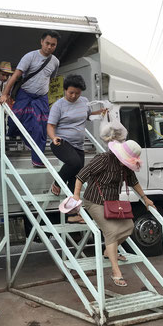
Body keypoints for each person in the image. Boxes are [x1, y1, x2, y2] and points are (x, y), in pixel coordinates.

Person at [73, 140, 155, 287]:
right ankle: (115, 270)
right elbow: (81, 175)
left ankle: (108, 251)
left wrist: (145, 198)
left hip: (113, 204)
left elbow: (134, 182)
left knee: (129, 226)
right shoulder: (104, 159)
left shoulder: (125, 167)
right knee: (111, 231)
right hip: (95, 202)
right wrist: (76, 195)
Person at [47, 75, 107, 219]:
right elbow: (50, 125)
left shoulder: (84, 102)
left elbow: (87, 116)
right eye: (71, 92)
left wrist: (100, 113)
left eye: (77, 93)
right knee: (74, 163)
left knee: (78, 177)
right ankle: (57, 182)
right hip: (61, 142)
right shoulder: (58, 105)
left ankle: (72, 213)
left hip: (78, 145)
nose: (74, 96)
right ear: (65, 90)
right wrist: (53, 137)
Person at [0, 31, 61, 167]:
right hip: (25, 94)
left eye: (53, 45)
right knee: (14, 121)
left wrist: (46, 96)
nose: (49, 47)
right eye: (47, 43)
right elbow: (15, 77)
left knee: (41, 127)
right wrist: (5, 94)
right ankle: (17, 135)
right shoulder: (30, 57)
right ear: (41, 42)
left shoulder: (55, 62)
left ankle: (38, 160)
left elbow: (50, 79)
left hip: (41, 98)